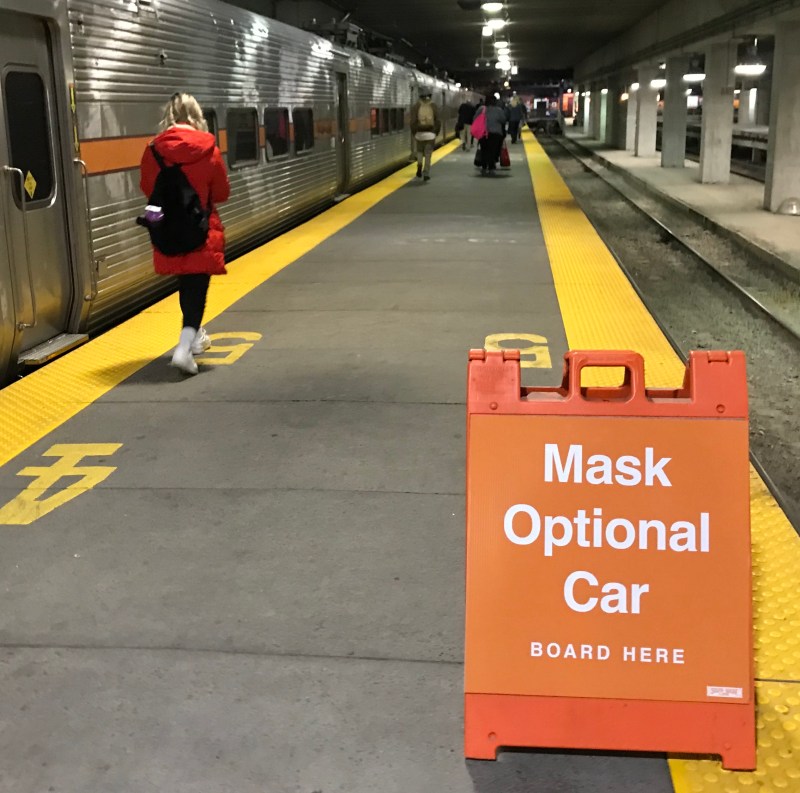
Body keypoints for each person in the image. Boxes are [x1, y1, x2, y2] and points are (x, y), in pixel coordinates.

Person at [140, 92, 230, 375]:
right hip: (200, 230)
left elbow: (148, 188)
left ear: (169, 115)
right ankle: (184, 346)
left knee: (185, 282)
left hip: (168, 229)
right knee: (197, 288)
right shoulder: (209, 149)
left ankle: (195, 337)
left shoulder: (153, 150)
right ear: (197, 116)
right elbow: (222, 193)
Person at [410, 88, 441, 181]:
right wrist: (435, 132)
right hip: (430, 134)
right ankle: (426, 173)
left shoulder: (416, 106)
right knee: (428, 154)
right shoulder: (433, 106)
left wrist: (414, 132)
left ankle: (419, 166)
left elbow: (412, 121)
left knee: (419, 151)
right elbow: (438, 121)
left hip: (419, 134)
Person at [478, 94, 507, 175]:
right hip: (495, 134)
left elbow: (474, 119)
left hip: (483, 133)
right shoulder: (499, 110)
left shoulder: (481, 109)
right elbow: (503, 120)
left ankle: (484, 167)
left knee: (484, 150)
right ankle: (491, 168)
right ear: (495, 102)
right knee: (492, 151)